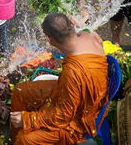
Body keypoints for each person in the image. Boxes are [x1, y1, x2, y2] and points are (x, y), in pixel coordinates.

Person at [10, 12, 109, 145]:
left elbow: (63, 116)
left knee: (25, 139)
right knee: (21, 91)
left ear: (50, 40)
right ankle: (14, 137)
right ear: (72, 25)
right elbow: (86, 30)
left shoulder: (73, 72)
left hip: (80, 115)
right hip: (72, 91)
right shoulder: (90, 36)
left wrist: (27, 119)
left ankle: (21, 137)